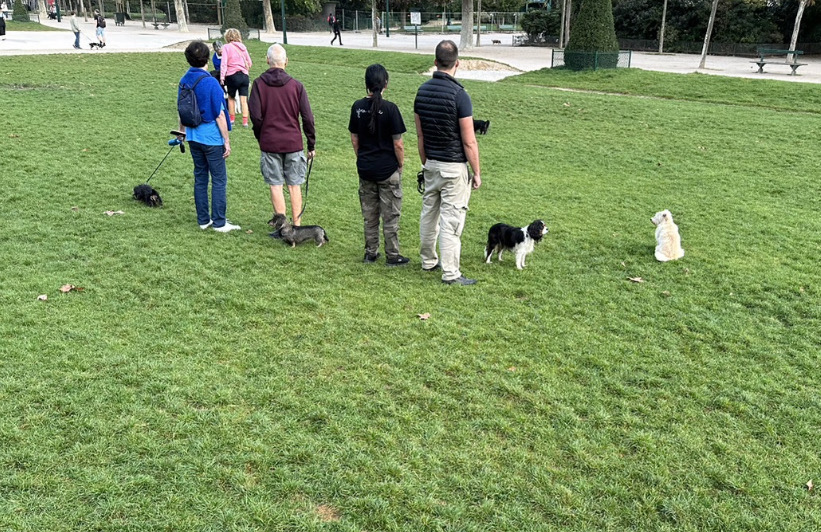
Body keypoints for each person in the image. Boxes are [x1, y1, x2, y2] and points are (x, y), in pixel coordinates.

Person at [414, 40, 482, 286]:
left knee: (429, 215)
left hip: (431, 163)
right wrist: (477, 172)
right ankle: (451, 273)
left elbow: (420, 135)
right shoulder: (460, 95)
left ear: (435, 62)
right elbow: (469, 141)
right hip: (454, 168)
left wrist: (426, 162)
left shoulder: (421, 92)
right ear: (457, 64)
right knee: (451, 221)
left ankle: (428, 260)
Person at [248, 44, 315, 231]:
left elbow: (255, 116)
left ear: (267, 60)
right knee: (294, 185)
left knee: (275, 184)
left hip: (270, 142)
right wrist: (311, 144)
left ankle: (282, 227)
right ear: (286, 61)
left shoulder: (259, 85)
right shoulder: (296, 86)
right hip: (293, 142)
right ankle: (297, 225)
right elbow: (308, 117)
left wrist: (261, 136)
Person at [348, 64, 409, 266]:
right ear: (385, 84)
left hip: (365, 169)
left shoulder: (357, 107)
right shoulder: (391, 109)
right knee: (390, 215)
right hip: (387, 170)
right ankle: (393, 255)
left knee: (370, 215)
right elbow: (398, 144)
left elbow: (354, 139)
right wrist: (400, 165)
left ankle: (370, 252)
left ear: (366, 84)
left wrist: (361, 158)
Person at [178, 41, 240, 232]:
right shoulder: (211, 83)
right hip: (212, 138)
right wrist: (227, 141)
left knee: (200, 177)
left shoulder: (184, 80)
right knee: (219, 179)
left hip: (192, 136)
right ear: (207, 58)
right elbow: (220, 115)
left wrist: (181, 133)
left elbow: (182, 109)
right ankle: (219, 222)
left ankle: (203, 220)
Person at [220, 28, 252, 128]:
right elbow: (249, 62)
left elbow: (224, 63)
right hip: (244, 75)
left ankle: (232, 120)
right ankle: (245, 122)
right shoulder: (243, 47)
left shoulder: (226, 47)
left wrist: (222, 77)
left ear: (227, 37)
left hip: (232, 75)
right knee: (244, 99)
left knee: (231, 98)